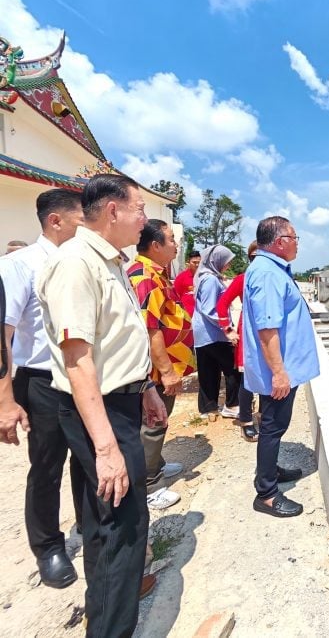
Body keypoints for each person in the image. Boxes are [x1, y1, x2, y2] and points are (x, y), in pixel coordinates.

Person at [37, 174, 167, 637]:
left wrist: (147, 387)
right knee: (123, 529)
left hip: (120, 402)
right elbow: (78, 359)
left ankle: (107, 607)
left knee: (103, 521)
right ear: (113, 211)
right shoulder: (76, 263)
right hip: (100, 412)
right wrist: (107, 446)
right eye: (140, 209)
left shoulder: (110, 261)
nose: (144, 220)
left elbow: (118, 340)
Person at [0, 189, 85, 589]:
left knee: (87, 459)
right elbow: (4, 335)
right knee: (48, 466)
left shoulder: (82, 263)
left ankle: (91, 523)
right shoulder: (20, 266)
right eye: (81, 220)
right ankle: (49, 546)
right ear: (56, 221)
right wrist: (5, 400)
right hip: (41, 380)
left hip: (82, 376)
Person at [243, 217, 319, 518]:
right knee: (273, 427)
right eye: (294, 236)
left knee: (273, 424)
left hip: (283, 366)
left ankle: (270, 472)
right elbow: (267, 327)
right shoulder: (267, 274)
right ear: (279, 242)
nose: (298, 242)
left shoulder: (270, 270)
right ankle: (267, 494)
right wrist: (279, 372)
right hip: (279, 369)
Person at [127, 219, 196, 510]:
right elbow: (151, 328)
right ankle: (149, 484)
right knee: (154, 422)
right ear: (155, 245)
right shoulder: (146, 277)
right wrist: (167, 371)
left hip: (163, 364)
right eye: (170, 239)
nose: (176, 244)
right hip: (156, 369)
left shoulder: (156, 272)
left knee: (155, 422)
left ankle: (156, 462)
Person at [216, 241, 259, 441]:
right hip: (249, 331)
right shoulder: (243, 279)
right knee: (247, 380)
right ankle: (246, 421)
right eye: (254, 257)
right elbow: (222, 304)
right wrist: (228, 330)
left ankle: (265, 418)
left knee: (268, 377)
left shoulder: (275, 277)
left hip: (271, 334)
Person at [192, 244, 240, 420]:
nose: (228, 265)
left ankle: (208, 408)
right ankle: (232, 405)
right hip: (214, 332)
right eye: (226, 262)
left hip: (202, 333)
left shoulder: (204, 277)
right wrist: (228, 329)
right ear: (216, 261)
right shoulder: (211, 280)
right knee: (233, 367)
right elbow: (210, 309)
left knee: (208, 370)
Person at [173, 250, 201, 317]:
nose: (197, 265)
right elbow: (175, 296)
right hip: (186, 316)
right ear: (188, 262)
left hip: (201, 316)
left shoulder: (204, 277)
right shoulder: (181, 278)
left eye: (199, 262)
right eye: (194, 262)